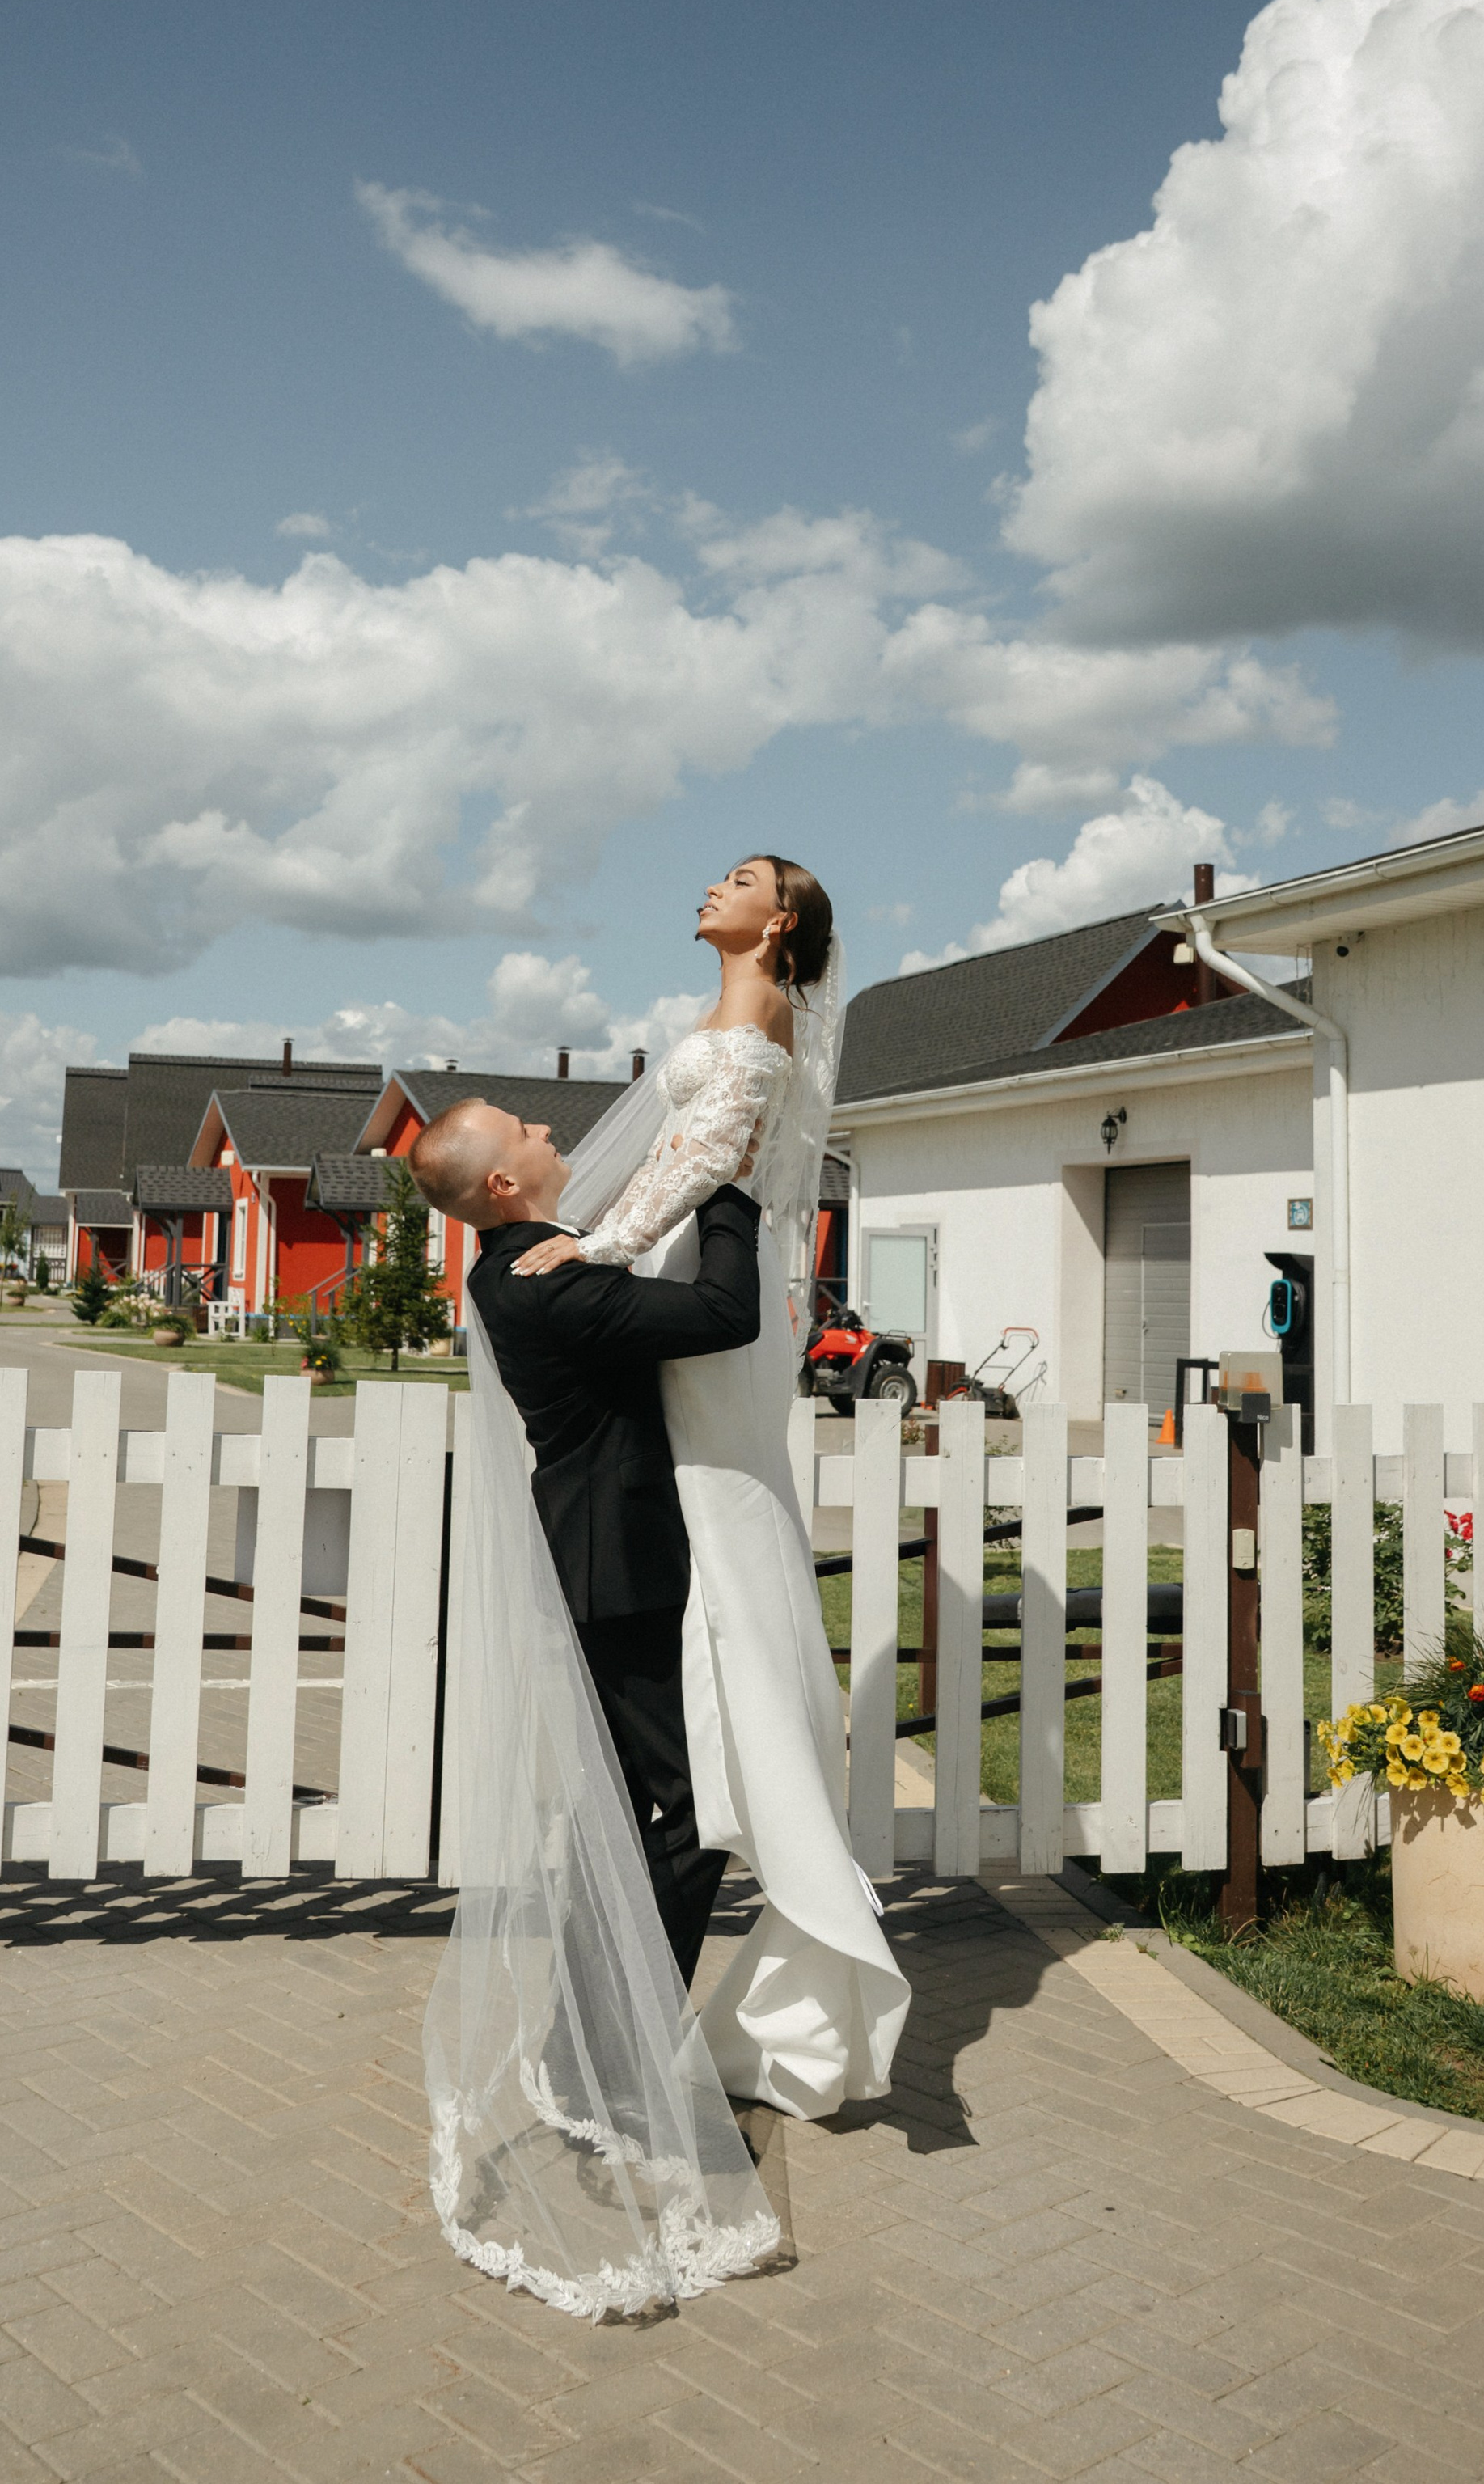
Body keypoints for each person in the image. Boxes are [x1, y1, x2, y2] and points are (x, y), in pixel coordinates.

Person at [508, 856, 909, 2123]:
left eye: (737, 880)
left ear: (777, 922)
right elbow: (678, 1152)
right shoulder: (728, 1013)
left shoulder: (759, 1020)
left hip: (703, 1289)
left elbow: (710, 1154)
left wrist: (600, 1248)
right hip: (681, 1269)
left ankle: (735, 1754)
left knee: (716, 1520)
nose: (709, 888)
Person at [416, 1099, 763, 1982]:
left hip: (594, 1556)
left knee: (619, 1802)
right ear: (503, 1181)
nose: (545, 1128)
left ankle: (596, 2022)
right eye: (522, 1129)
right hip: (622, 1566)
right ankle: (625, 2020)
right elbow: (726, 1312)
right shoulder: (552, 1281)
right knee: (696, 1804)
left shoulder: (524, 1266)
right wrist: (730, 1189)